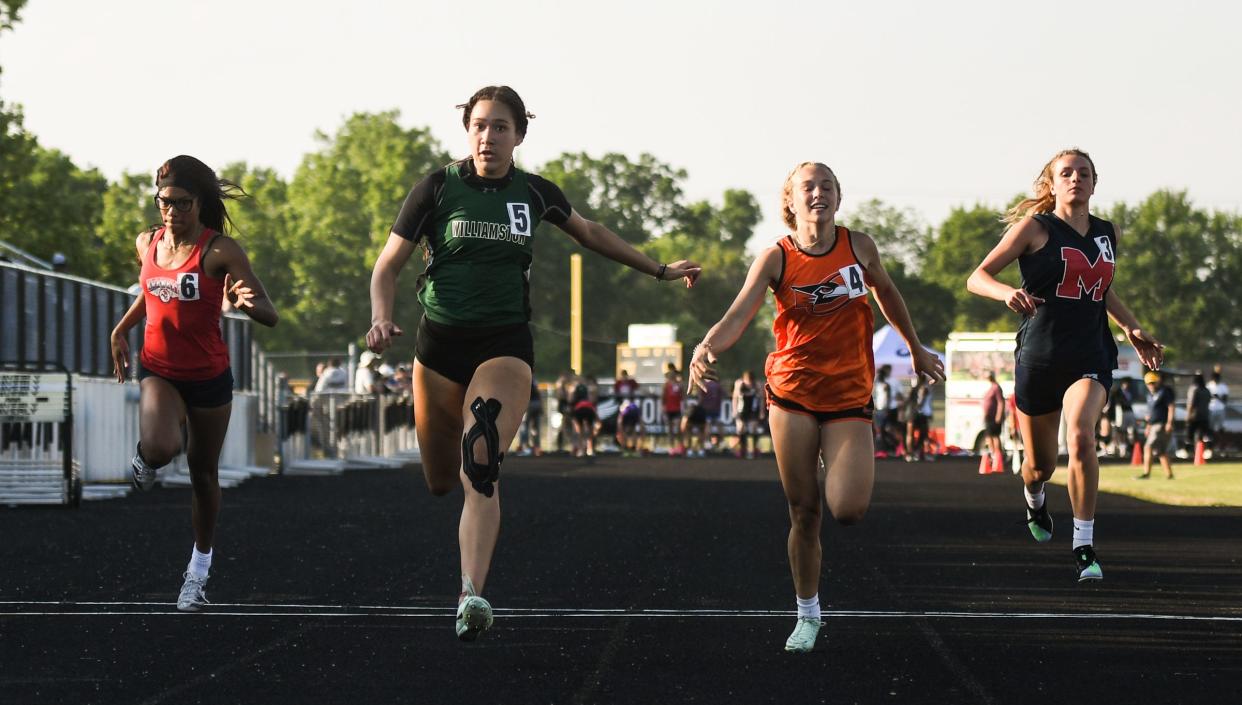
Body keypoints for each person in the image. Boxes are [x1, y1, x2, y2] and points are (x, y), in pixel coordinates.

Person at [364, 85, 700, 642]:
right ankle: (461, 527)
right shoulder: (436, 189)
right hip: (438, 347)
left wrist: (659, 269)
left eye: (500, 127)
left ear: (519, 134)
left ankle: (470, 595)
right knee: (441, 479)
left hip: (503, 345)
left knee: (482, 458)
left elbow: (590, 232)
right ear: (465, 129)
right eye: (479, 125)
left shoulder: (534, 193)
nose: (487, 136)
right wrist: (380, 317)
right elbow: (386, 267)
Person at [688, 161, 943, 653]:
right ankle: (808, 614)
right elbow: (739, 312)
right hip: (793, 393)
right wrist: (706, 347)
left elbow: (887, 293)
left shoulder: (858, 246)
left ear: (838, 197)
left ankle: (839, 457)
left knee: (847, 509)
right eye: (808, 186)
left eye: (827, 185)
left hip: (848, 394)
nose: (818, 193)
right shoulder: (775, 258)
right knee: (804, 512)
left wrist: (914, 346)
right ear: (791, 201)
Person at [966, 148, 1164, 582]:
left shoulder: (1107, 232)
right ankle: (1034, 497)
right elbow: (977, 276)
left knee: (1080, 435)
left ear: (1095, 182)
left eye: (1084, 173)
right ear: (1051, 184)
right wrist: (1005, 293)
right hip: (1040, 356)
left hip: (1091, 353)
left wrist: (1132, 328)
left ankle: (1083, 545)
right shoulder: (1035, 228)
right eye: (1066, 173)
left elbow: (1100, 286)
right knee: (1040, 466)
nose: (1076, 179)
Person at [109, 155, 278, 612]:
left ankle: (197, 573)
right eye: (164, 202)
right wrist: (121, 329)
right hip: (159, 368)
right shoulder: (148, 242)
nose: (172, 212)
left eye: (182, 203)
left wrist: (244, 304)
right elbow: (151, 291)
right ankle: (146, 457)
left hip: (208, 377)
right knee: (162, 448)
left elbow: (270, 313)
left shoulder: (219, 250)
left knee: (204, 473)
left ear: (200, 203)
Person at [1139, 370, 1176, 479]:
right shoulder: (1150, 396)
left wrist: (1169, 423)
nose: (1151, 385)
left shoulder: (1165, 392)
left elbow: (1171, 407)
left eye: (1153, 382)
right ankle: (1169, 474)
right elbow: (1151, 413)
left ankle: (1146, 473)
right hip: (1153, 425)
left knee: (1148, 447)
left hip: (1161, 424)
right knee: (1161, 451)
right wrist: (1148, 426)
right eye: (1149, 383)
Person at [732, 370, 760, 459]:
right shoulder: (739, 384)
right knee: (740, 428)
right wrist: (734, 410)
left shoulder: (756, 385)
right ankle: (743, 449)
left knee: (753, 429)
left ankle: (754, 449)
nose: (748, 383)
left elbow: (761, 399)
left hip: (753, 410)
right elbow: (735, 398)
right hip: (742, 410)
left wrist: (762, 412)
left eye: (750, 381)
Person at [982, 371, 1005, 472]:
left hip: (994, 417)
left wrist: (998, 416)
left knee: (995, 436)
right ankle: (992, 455)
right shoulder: (990, 387)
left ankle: (998, 456)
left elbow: (1001, 402)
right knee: (989, 436)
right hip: (988, 418)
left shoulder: (996, 387)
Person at [1185, 372, 1212, 451]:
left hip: (1194, 416)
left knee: (1190, 434)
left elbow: (1191, 403)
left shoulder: (1194, 389)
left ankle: (1188, 451)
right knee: (1205, 434)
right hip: (1205, 415)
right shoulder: (1206, 390)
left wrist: (1188, 415)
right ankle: (1208, 450)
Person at [662, 367, 685, 456]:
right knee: (670, 430)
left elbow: (683, 396)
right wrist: (663, 408)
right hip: (668, 409)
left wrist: (684, 406)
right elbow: (663, 397)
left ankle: (680, 446)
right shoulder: (666, 385)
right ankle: (671, 447)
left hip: (677, 409)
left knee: (678, 428)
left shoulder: (679, 384)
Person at [1207, 368, 1229, 442]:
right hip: (1210, 409)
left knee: (1220, 427)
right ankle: (1210, 444)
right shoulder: (1209, 386)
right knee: (1210, 427)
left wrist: (1218, 397)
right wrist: (1211, 397)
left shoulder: (1223, 386)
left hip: (1220, 409)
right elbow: (1206, 397)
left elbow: (1225, 399)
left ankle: (1222, 442)